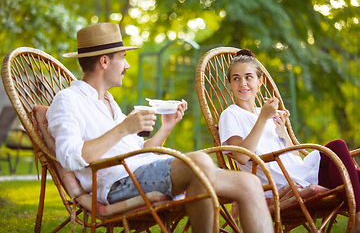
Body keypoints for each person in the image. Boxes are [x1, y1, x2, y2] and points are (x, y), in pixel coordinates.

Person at [46, 23, 274, 233]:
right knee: (200, 162)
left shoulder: (109, 103)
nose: (126, 65)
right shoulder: (68, 100)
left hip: (142, 172)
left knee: (249, 183)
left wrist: (166, 128)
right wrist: (123, 128)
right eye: (123, 58)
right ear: (104, 62)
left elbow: (139, 151)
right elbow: (70, 156)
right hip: (118, 185)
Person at [219, 49, 360, 232]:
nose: (243, 83)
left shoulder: (267, 112)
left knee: (339, 154)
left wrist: (281, 130)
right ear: (229, 83)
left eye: (248, 77)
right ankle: (357, 220)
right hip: (280, 182)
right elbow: (241, 156)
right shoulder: (230, 115)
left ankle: (357, 219)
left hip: (299, 170)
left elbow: (293, 154)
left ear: (259, 81)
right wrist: (262, 119)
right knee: (341, 151)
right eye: (236, 78)